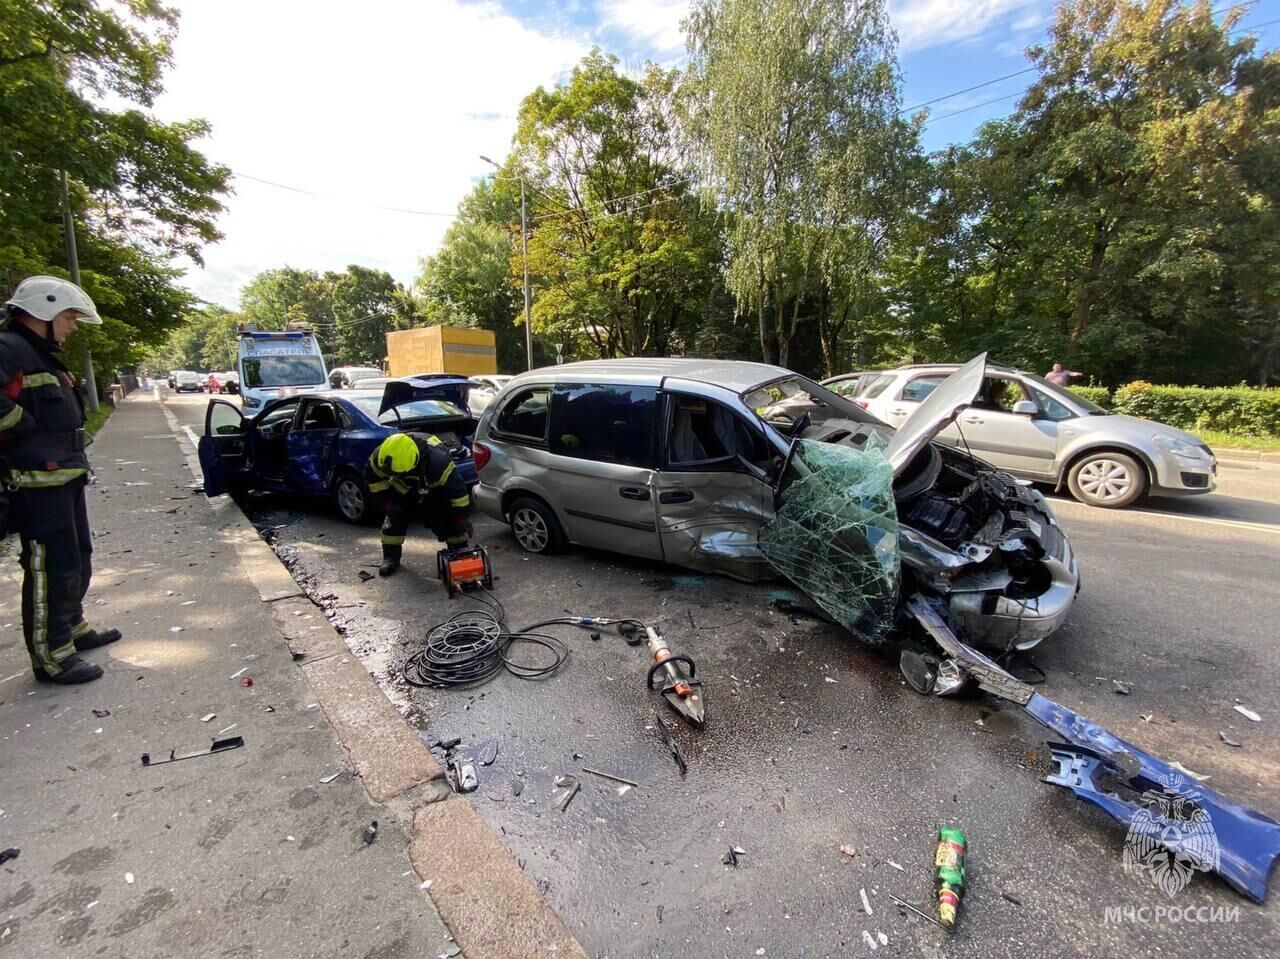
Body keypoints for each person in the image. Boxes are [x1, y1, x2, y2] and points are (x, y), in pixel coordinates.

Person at [1, 276, 122, 684]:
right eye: (69, 317)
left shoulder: (40, 354)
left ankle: (72, 628)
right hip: (35, 480)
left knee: (75, 556)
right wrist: (22, 426)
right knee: (48, 566)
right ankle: (52, 656)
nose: (72, 326)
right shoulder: (9, 349)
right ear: (43, 312)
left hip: (62, 474)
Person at [364, 432, 473, 577]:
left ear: (415, 462)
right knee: (394, 520)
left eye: (401, 473)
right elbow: (374, 482)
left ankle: (459, 551)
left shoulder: (439, 462)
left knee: (449, 519)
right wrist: (387, 503)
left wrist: (462, 518)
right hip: (402, 489)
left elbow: (458, 493)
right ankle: (390, 557)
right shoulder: (380, 458)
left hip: (434, 489)